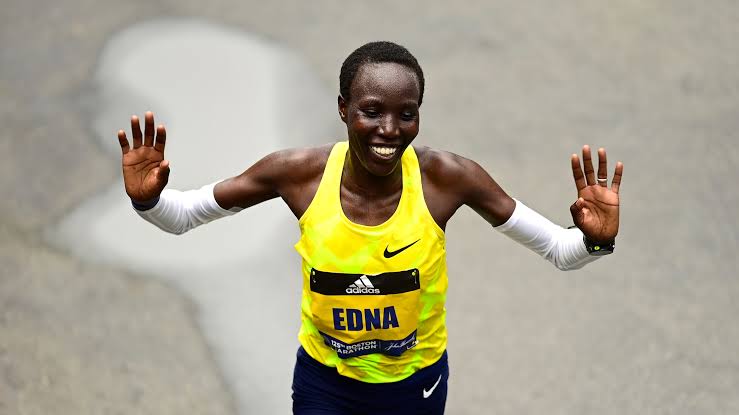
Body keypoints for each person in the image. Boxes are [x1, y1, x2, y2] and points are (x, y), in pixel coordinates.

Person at [116, 41, 623, 415]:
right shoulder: (297, 175)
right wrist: (149, 201)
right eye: (371, 111)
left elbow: (561, 249)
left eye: (407, 114)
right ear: (343, 109)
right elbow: (181, 217)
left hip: (415, 385)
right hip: (325, 384)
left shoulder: (447, 179)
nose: (389, 130)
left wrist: (596, 238)